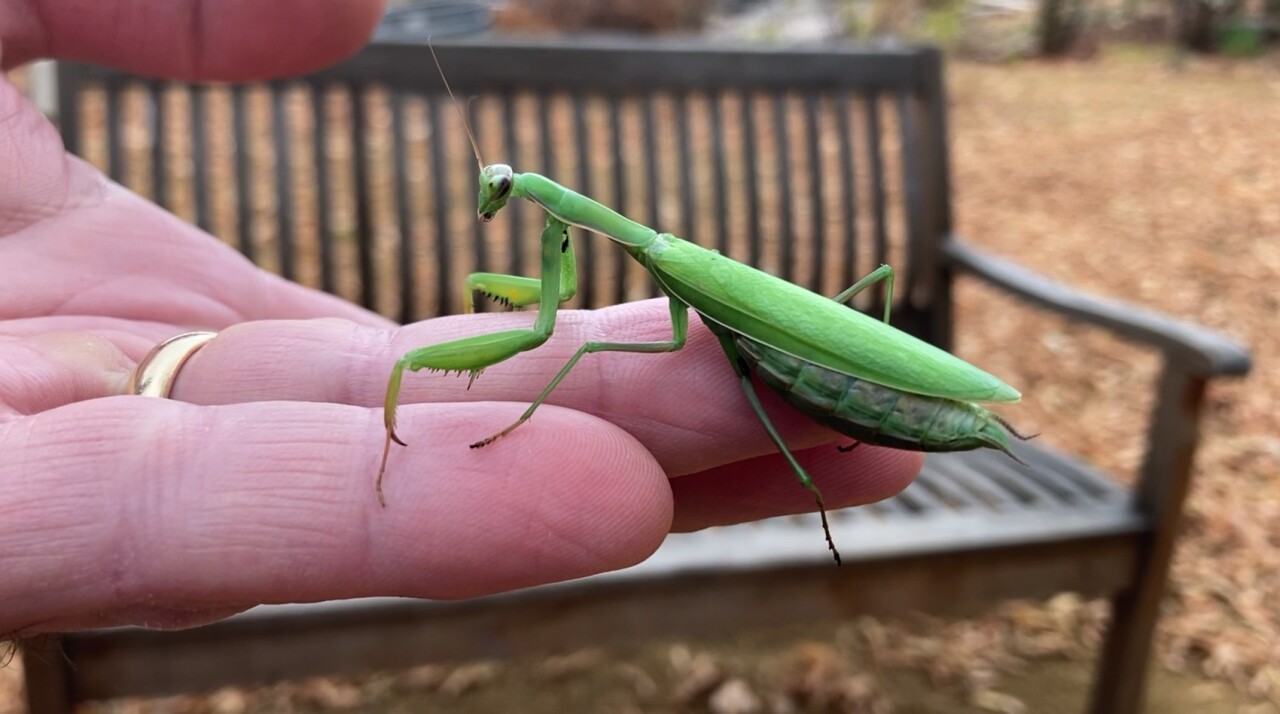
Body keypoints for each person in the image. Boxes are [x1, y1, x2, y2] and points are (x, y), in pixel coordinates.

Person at [0, 0, 920, 637]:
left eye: (502, 189)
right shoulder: (652, 255)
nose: (492, 196)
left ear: (533, 194)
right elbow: (552, 320)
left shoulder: (668, 265)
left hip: (819, 355)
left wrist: (521, 408)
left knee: (755, 384)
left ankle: (831, 483)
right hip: (781, 344)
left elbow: (547, 334)